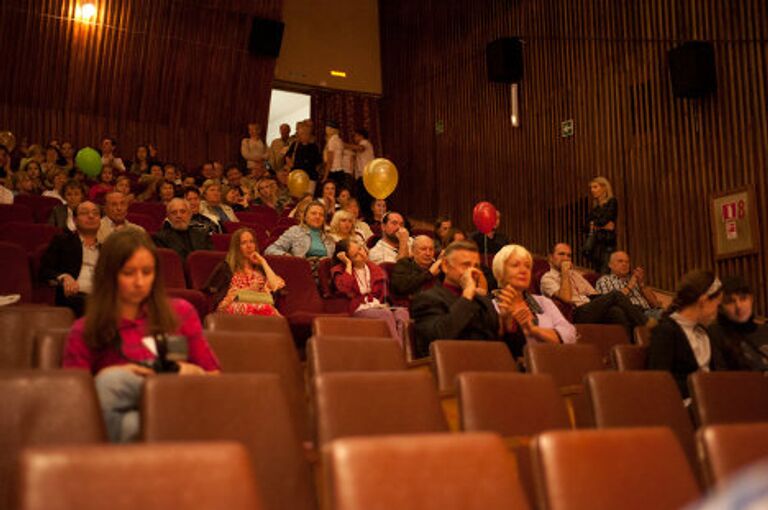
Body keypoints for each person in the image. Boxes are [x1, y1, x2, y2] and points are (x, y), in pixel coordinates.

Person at [62, 229, 220, 442]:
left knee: (112, 382)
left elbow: (214, 380)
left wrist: (189, 371)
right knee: (117, 393)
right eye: (129, 273)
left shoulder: (180, 312)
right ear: (109, 275)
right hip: (120, 418)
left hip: (177, 399)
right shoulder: (86, 328)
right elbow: (75, 401)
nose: (139, 282)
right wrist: (120, 373)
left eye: (147, 272)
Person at [647, 270, 734, 399]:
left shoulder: (706, 332)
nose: (718, 311)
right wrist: (703, 387)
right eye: (717, 304)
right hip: (683, 408)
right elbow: (658, 383)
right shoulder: (666, 332)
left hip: (711, 403)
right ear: (703, 301)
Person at [540, 243, 653, 334]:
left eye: (569, 255)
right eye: (561, 254)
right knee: (615, 294)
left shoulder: (575, 275)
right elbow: (566, 298)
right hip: (574, 313)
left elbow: (593, 293)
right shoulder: (547, 278)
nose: (566, 258)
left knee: (616, 312)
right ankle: (646, 324)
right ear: (550, 258)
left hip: (589, 308)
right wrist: (565, 273)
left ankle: (627, 348)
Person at [411, 241, 498, 358]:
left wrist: (508, 324)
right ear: (445, 266)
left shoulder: (483, 301)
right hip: (450, 364)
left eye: (476, 266)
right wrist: (467, 294)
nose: (472, 271)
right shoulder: (427, 299)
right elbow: (438, 338)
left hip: (487, 363)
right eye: (466, 265)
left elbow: (498, 343)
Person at [492, 244, 576, 356]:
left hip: (553, 360)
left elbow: (570, 334)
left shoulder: (543, 302)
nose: (523, 270)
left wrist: (534, 330)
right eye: (515, 265)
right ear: (500, 271)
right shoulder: (491, 305)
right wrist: (505, 321)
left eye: (527, 266)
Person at [331, 238, 409, 347]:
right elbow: (345, 288)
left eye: (361, 249)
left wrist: (383, 304)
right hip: (358, 308)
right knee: (385, 314)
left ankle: (405, 352)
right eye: (355, 254)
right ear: (347, 258)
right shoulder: (340, 270)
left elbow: (383, 294)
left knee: (402, 312)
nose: (361, 254)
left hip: (377, 305)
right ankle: (396, 352)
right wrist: (348, 264)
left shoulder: (374, 269)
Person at [39, 201, 102, 317]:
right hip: (74, 298)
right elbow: (44, 270)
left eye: (95, 213)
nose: (91, 216)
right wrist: (64, 276)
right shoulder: (62, 241)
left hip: (102, 298)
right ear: (74, 220)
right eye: (84, 213)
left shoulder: (107, 248)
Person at [205, 227, 284, 316]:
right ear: (236, 247)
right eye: (244, 243)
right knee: (264, 309)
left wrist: (263, 262)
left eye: (251, 242)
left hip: (260, 305)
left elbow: (275, 286)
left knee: (267, 309)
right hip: (232, 308)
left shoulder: (260, 269)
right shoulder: (226, 267)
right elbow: (214, 297)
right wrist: (248, 290)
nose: (249, 246)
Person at [708, 276, 768, 371]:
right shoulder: (715, 334)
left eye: (743, 299)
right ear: (720, 307)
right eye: (730, 301)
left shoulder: (765, 330)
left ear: (751, 300)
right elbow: (721, 378)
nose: (739, 306)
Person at [596, 251, 663, 320]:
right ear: (610, 265)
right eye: (620, 261)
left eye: (627, 262)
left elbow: (656, 305)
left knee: (668, 315)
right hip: (631, 315)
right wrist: (630, 285)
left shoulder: (635, 280)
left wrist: (642, 284)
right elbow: (610, 302)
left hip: (650, 312)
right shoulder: (605, 280)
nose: (625, 264)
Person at [265, 201, 335, 259]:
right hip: (302, 270)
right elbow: (270, 250)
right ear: (305, 217)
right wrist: (286, 256)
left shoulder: (329, 239)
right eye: (313, 213)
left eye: (321, 215)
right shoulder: (295, 231)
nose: (317, 217)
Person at [584, 176, 618, 273]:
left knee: (604, 272)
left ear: (604, 188)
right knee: (597, 272)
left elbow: (603, 220)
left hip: (607, 242)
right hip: (596, 243)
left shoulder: (612, 202)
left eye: (595, 187)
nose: (592, 190)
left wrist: (594, 224)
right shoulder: (595, 207)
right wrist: (602, 226)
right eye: (591, 188)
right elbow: (586, 225)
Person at [285, 123, 322, 194]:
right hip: (297, 175)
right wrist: (291, 165)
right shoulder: (295, 144)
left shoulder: (314, 146)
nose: (302, 136)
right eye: (301, 134)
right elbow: (287, 156)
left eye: (305, 133)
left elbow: (318, 161)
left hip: (310, 176)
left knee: (308, 197)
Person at [322, 121, 346, 185]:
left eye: (329, 128)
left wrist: (325, 176)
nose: (326, 130)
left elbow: (330, 160)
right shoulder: (339, 140)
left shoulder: (332, 141)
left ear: (334, 130)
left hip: (334, 171)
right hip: (340, 170)